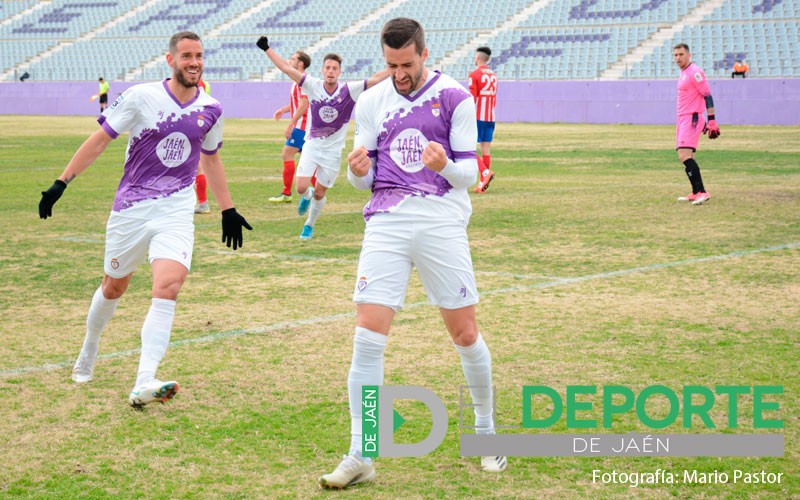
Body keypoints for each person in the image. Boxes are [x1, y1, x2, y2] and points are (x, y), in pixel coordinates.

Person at [317, 18, 507, 490]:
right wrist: (356, 171)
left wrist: (446, 164)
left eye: (407, 64)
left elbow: (470, 174)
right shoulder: (371, 101)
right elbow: (365, 178)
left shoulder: (454, 98)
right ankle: (362, 452)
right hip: (386, 221)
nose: (399, 74)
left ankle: (485, 432)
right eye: (391, 65)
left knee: (464, 333)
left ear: (424, 53)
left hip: (441, 220)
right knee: (366, 337)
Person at [38, 31, 252, 409]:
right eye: (186, 56)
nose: (194, 62)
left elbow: (211, 159)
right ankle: (89, 348)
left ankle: (144, 379)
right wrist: (61, 182)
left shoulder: (212, 108)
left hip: (176, 209)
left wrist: (228, 209)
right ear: (170, 60)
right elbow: (100, 139)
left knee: (168, 285)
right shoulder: (141, 97)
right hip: (132, 209)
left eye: (199, 56)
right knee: (113, 287)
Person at [257, 37, 389, 239]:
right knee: (301, 188)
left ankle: (309, 224)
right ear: (322, 70)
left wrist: (397, 64)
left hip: (332, 152)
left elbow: (376, 78)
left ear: (339, 72)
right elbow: (286, 68)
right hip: (312, 146)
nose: (330, 71)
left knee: (321, 193)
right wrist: (267, 48)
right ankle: (306, 196)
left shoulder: (348, 90)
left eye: (334, 68)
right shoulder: (311, 85)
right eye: (327, 67)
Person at [673, 43, 720, 205]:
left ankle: (701, 192)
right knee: (687, 155)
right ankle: (695, 192)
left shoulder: (695, 72)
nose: (678, 58)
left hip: (692, 118)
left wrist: (712, 120)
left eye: (681, 54)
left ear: (689, 55)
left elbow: (707, 95)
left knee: (684, 155)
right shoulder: (684, 72)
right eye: (676, 55)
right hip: (683, 118)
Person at [269, 51, 312, 204]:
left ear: (300, 63)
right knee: (307, 159)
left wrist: (291, 124)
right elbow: (297, 104)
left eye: (293, 58)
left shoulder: (303, 81)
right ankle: (315, 191)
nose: (290, 60)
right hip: (303, 126)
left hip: (302, 126)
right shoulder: (297, 80)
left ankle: (286, 193)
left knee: (287, 154)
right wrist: (283, 110)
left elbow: (304, 105)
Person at [467, 46, 498, 193]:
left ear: (478, 58)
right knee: (485, 149)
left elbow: (472, 98)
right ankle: (482, 184)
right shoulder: (494, 75)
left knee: (468, 148)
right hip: (491, 116)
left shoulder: (474, 75)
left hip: (478, 117)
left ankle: (485, 173)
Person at [195, 78, 213, 214]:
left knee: (196, 166)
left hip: (194, 123)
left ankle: (203, 203)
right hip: (202, 123)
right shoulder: (205, 84)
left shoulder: (193, 83)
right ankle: (202, 202)